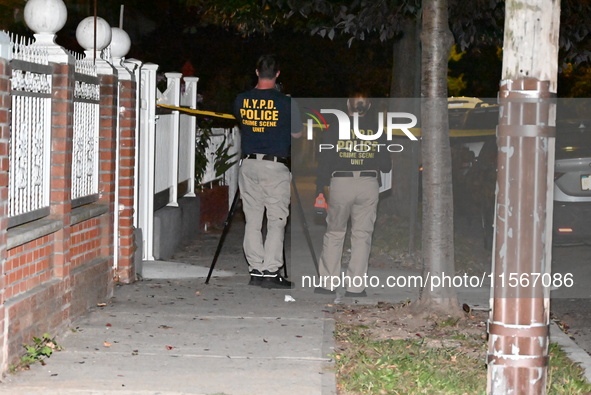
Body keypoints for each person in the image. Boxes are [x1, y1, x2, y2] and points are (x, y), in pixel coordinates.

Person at [234, 54, 302, 289]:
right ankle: (271, 271)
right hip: (275, 166)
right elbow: (296, 135)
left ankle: (255, 269)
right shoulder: (286, 102)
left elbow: (244, 124)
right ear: (278, 74)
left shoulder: (241, 100)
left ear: (256, 72)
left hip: (249, 164)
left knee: (252, 219)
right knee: (276, 219)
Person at [314, 90, 391, 297]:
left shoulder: (335, 129)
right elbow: (386, 164)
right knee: (362, 235)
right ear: (369, 107)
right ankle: (355, 287)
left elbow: (324, 163)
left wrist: (320, 190)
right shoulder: (377, 131)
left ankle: (328, 283)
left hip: (341, 181)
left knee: (335, 232)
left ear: (348, 105)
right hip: (368, 183)